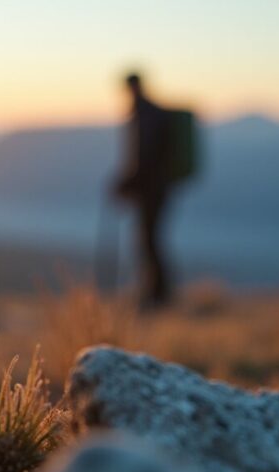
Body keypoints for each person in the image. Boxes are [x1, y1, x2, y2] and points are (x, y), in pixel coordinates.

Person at [111, 73, 178, 308]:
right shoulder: (151, 113)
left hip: (152, 189)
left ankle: (157, 295)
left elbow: (144, 157)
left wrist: (128, 182)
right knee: (151, 239)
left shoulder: (145, 114)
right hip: (158, 187)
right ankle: (157, 292)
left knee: (149, 240)